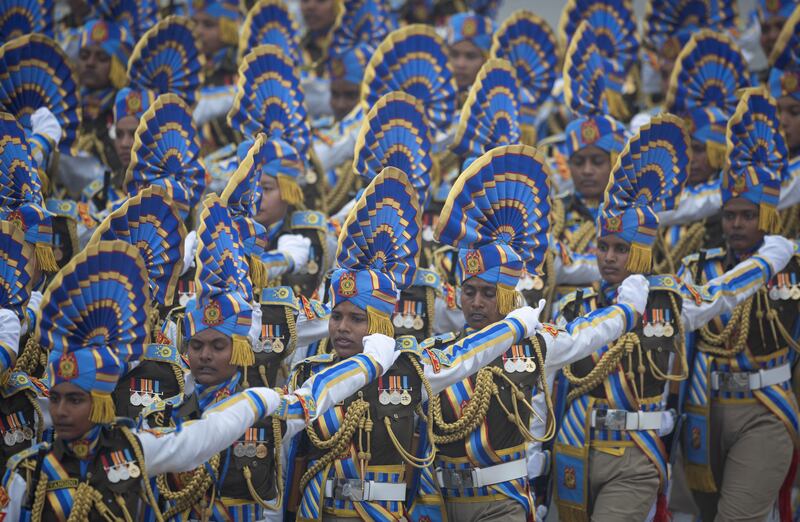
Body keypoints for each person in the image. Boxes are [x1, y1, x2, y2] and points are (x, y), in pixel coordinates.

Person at [552, 113, 795, 521]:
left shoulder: (669, 301)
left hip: (641, 450)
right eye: (604, 247)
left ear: (643, 253)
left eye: (621, 249)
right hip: (576, 450)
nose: (610, 258)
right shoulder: (574, 308)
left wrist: (769, 260)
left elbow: (723, 294)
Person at [286, 165, 550, 522]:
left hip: (405, 509)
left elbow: (468, 357)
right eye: (336, 317)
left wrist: (516, 327)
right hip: (319, 511)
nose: (342, 328)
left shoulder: (411, 369)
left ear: (379, 323)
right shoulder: (308, 373)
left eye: (356, 319)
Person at [415, 144, 648, 522]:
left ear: (507, 296)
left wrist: (625, 312)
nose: (476, 302)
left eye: (488, 293)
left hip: (504, 500)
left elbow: (585, 333)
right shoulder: (438, 350)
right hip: (446, 503)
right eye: (469, 291)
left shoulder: (533, 343)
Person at [0, 240, 282, 520]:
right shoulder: (28, 471)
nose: (61, 411)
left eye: (75, 400)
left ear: (101, 402)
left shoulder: (136, 448)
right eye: (57, 398)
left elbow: (207, 436)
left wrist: (265, 398)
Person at [679, 88, 800, 522]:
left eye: (747, 215)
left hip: (766, 408)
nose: (736, 224)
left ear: (766, 217)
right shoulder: (699, 269)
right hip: (705, 410)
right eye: (729, 215)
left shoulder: (791, 267)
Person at [228, 45, 329, 297]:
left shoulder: (309, 237)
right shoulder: (225, 228)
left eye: (267, 188)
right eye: (250, 187)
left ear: (289, 191)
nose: (256, 198)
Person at [656, 30, 750, 271]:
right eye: (683, 150)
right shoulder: (666, 191)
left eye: (698, 150)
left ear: (719, 152)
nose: (689, 159)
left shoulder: (735, 200)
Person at [553, 21, 628, 299]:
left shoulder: (632, 211)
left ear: (614, 161)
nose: (587, 171)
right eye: (578, 161)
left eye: (597, 161)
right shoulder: (554, 212)